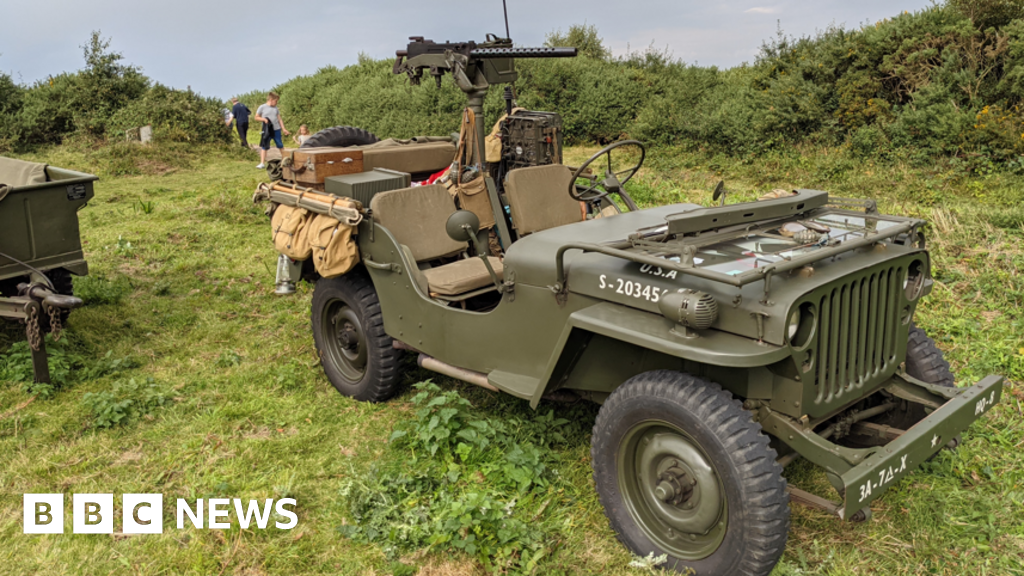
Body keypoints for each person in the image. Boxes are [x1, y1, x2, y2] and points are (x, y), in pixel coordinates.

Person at [255, 92, 289, 169]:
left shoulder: (275, 108)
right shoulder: (262, 107)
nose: (276, 103)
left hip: (276, 129)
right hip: (267, 130)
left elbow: (279, 119)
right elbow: (256, 117)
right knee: (264, 146)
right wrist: (263, 119)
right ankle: (262, 163)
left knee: (280, 145)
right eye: (276, 101)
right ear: (271, 100)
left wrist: (283, 129)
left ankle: (286, 161)